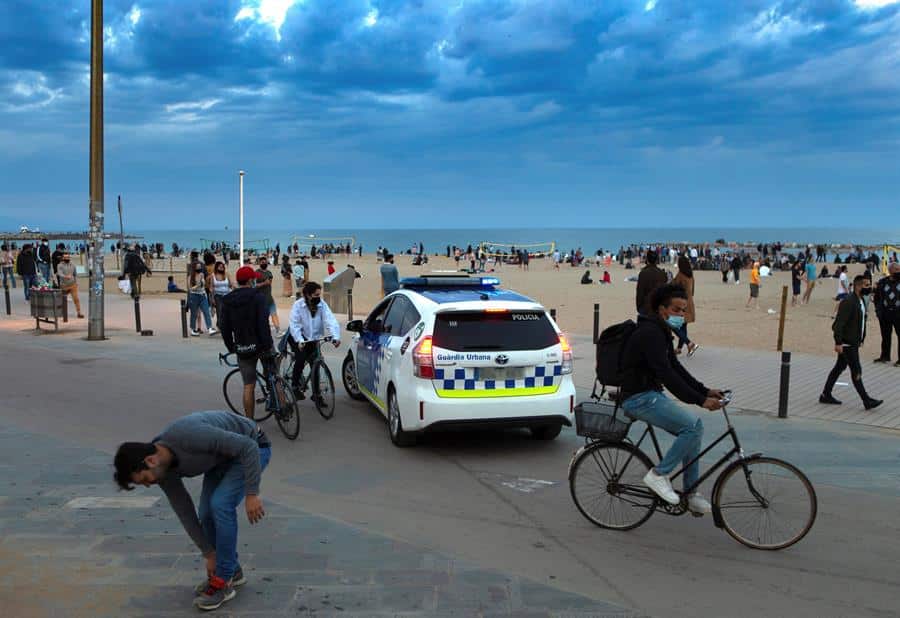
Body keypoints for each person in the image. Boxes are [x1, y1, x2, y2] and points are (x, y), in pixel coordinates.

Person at [113, 411, 271, 611]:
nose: (147, 485)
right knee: (205, 512)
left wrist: (252, 493)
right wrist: (209, 553)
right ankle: (232, 570)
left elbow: (247, 447)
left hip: (253, 447)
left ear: (151, 461)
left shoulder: (188, 435)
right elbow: (184, 511)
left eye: (144, 479)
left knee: (220, 504)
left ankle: (224, 580)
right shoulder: (163, 472)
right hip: (222, 460)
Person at [619, 284, 727, 512]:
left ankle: (691, 493)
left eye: (683, 311)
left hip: (649, 394)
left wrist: (704, 390)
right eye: (677, 310)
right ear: (662, 309)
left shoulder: (660, 330)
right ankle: (658, 475)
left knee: (692, 431)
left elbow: (675, 366)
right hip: (638, 398)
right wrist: (699, 400)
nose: (681, 316)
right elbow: (666, 374)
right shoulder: (650, 333)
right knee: (693, 427)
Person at [819, 274, 882, 410]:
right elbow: (838, 324)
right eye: (866, 285)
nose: (869, 287)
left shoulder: (860, 301)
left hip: (853, 342)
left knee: (839, 367)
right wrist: (838, 342)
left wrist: (860, 338)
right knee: (856, 370)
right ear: (858, 286)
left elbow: (860, 322)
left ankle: (825, 394)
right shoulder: (848, 301)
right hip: (847, 344)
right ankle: (867, 400)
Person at [220, 266, 274, 418]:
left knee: (248, 385)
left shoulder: (227, 300)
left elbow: (224, 327)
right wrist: (267, 344)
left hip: (243, 347)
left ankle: (249, 422)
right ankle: (283, 407)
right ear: (251, 280)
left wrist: (231, 346)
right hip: (262, 345)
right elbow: (263, 323)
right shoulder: (258, 297)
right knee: (274, 377)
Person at [287, 281, 341, 401]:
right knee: (301, 358)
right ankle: (295, 386)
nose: (318, 297)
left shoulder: (322, 305)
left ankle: (316, 395)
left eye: (319, 295)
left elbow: (330, 320)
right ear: (308, 295)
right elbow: (294, 325)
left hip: (314, 338)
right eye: (316, 295)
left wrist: (335, 336)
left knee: (315, 363)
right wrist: (300, 340)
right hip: (298, 336)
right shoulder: (298, 305)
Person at [873, 262, 900, 366]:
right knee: (885, 336)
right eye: (896, 269)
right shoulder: (883, 282)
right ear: (890, 270)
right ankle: (885, 356)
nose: (898, 271)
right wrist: (878, 310)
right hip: (885, 313)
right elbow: (877, 297)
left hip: (898, 313)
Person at [673, 256, 699, 356]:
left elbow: (673, 285)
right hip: (690, 303)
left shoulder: (680, 275)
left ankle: (690, 343)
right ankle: (679, 348)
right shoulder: (691, 275)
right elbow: (692, 291)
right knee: (683, 326)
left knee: (673, 324)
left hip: (681, 304)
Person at [635, 250, 667, 316]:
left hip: (646, 308)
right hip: (659, 307)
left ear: (647, 260)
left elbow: (640, 292)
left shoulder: (643, 273)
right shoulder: (662, 274)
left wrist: (639, 307)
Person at [188, 261, 216, 336]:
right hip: (194, 296)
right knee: (194, 313)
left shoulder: (202, 274)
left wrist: (204, 282)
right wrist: (198, 285)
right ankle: (193, 329)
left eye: (200, 267)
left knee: (206, 311)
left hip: (202, 295)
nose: (199, 268)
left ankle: (209, 328)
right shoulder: (190, 277)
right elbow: (190, 288)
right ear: (194, 268)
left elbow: (203, 285)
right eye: (198, 267)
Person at [255, 256, 280, 335]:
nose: (264, 263)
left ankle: (278, 330)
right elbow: (254, 285)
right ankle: (261, 331)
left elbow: (269, 282)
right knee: (262, 316)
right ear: (259, 263)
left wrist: (266, 283)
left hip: (269, 298)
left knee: (274, 314)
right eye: (262, 262)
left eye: (265, 262)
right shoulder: (256, 273)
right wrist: (264, 283)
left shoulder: (269, 273)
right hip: (260, 299)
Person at [56, 252, 84, 318]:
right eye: (65, 257)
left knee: (76, 299)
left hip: (72, 284)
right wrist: (66, 276)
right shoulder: (59, 265)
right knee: (62, 300)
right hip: (64, 285)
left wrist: (76, 282)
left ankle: (79, 312)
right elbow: (60, 274)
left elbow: (75, 274)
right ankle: (60, 312)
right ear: (63, 258)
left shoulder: (72, 265)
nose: (67, 258)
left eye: (68, 257)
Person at [210, 261, 233, 331]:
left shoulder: (227, 274)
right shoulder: (213, 275)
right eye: (220, 267)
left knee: (227, 312)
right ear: (216, 267)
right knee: (220, 311)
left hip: (227, 295)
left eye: (222, 267)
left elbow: (231, 284)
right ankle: (221, 326)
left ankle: (222, 325)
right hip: (218, 296)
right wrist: (212, 298)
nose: (221, 268)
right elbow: (211, 287)